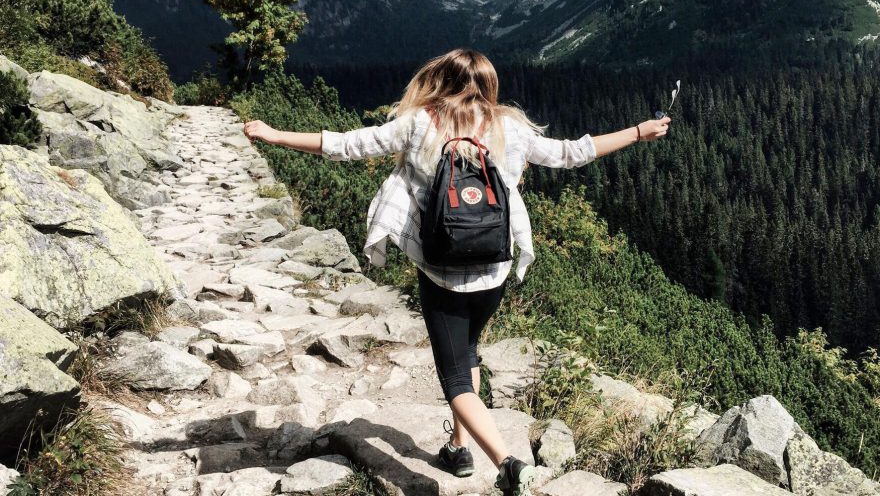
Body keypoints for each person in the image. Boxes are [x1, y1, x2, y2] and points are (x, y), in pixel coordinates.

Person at [242, 48, 670, 496]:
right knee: (469, 351)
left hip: (441, 271)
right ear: (489, 85)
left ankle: (507, 465)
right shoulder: (509, 127)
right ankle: (458, 448)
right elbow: (572, 153)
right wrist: (639, 132)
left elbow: (346, 145)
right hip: (494, 268)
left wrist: (275, 135)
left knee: (455, 377)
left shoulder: (418, 123)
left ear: (440, 81)